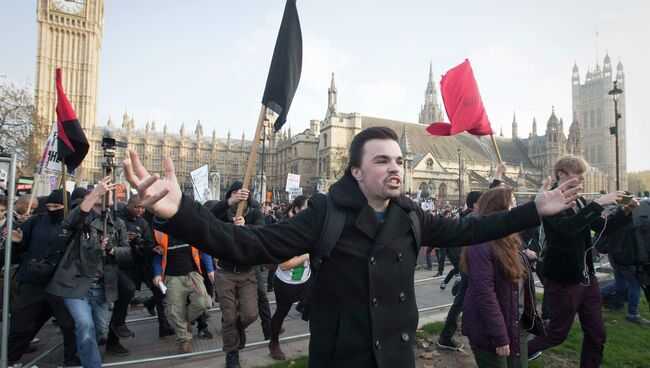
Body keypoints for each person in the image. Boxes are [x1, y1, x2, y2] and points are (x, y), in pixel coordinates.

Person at [123, 126, 582, 368]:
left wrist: (534, 209)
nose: (396, 168)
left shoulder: (410, 216)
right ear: (357, 173)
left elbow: (471, 231)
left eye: (399, 160)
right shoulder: (326, 213)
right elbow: (247, 245)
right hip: (343, 357)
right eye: (382, 161)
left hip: (398, 357)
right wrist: (182, 210)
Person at [527, 155, 639, 367]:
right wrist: (597, 204)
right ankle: (514, 353)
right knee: (556, 334)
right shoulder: (550, 199)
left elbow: (604, 227)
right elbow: (568, 227)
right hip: (563, 279)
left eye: (582, 175)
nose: (581, 178)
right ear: (561, 173)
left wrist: (626, 210)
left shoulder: (579, 200)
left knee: (597, 334)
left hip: (587, 278)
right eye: (576, 174)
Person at [47, 177, 133, 368]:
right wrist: (94, 194)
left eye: (110, 191)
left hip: (102, 286)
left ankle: (83, 354)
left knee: (98, 328)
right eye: (105, 191)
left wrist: (111, 250)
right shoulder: (83, 216)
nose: (108, 193)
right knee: (85, 326)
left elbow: (127, 251)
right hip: (75, 284)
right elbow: (69, 223)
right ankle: (92, 364)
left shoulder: (117, 223)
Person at [461, 187, 544, 367]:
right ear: (498, 208)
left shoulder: (511, 237)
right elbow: (484, 294)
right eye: (512, 203)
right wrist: (499, 336)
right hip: (491, 329)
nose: (516, 207)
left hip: (514, 321)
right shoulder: (481, 243)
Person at [5, 190, 79, 367]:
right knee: (22, 325)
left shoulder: (74, 225)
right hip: (33, 282)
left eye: (57, 206)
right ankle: (12, 359)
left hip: (60, 283)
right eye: (49, 206)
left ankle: (71, 358)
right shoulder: (35, 221)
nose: (52, 209)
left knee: (68, 324)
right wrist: (15, 243)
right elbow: (18, 250)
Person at [210, 181, 269, 368]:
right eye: (234, 193)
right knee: (228, 317)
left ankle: (237, 329)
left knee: (250, 314)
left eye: (241, 193)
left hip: (247, 272)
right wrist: (228, 202)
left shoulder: (254, 213)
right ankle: (232, 354)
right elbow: (206, 217)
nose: (238, 196)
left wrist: (246, 227)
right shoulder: (221, 213)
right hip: (225, 272)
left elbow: (263, 230)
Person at [152, 230, 213, 354]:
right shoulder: (159, 234)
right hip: (172, 278)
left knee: (204, 303)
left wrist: (210, 269)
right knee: (174, 311)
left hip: (192, 275)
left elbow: (204, 250)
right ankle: (184, 340)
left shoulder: (190, 230)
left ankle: (185, 322)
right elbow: (156, 257)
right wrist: (157, 274)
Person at [268, 195, 312, 360]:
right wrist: (308, 255)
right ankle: (274, 343)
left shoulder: (312, 228)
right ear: (296, 210)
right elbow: (284, 264)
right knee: (281, 313)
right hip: (286, 283)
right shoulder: (286, 230)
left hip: (305, 280)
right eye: (307, 209)